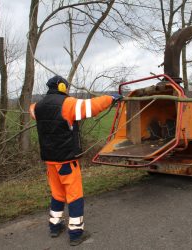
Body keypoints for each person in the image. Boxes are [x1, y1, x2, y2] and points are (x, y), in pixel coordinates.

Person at [30, 75, 122, 246]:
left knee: (57, 194)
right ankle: (75, 233)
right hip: (66, 160)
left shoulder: (37, 107)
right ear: (63, 88)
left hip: (50, 161)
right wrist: (111, 98)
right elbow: (91, 107)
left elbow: (32, 110)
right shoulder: (68, 104)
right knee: (74, 196)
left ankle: (55, 227)